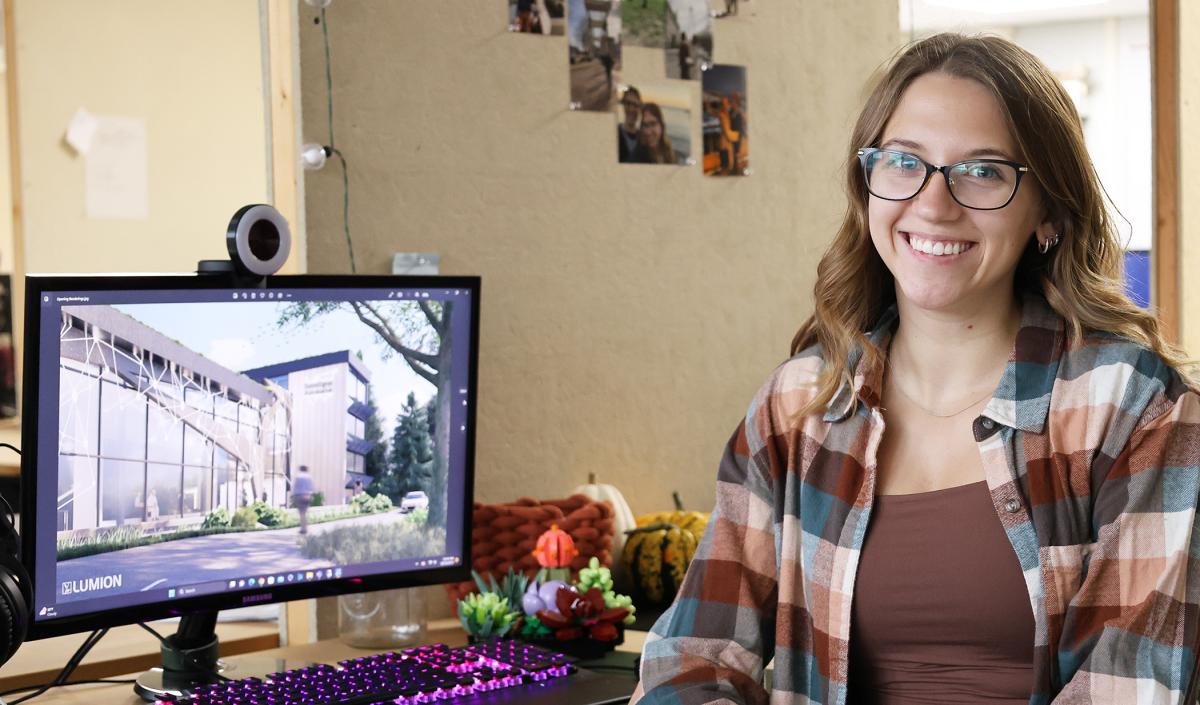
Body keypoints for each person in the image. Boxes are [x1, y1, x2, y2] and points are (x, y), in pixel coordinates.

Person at [634, 32, 1200, 704]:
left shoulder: (1136, 409)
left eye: (983, 171)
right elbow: (695, 655)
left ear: (1046, 210)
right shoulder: (799, 407)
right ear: (867, 182)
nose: (934, 204)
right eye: (905, 161)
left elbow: (1132, 687)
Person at [618, 86, 642, 163]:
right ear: (623, 105)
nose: (631, 109)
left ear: (639, 107)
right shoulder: (614, 133)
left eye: (635, 105)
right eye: (628, 104)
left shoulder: (644, 137)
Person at [292, 465, 315, 535]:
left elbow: (295, 487)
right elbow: (311, 487)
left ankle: (303, 528)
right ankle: (305, 528)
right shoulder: (309, 478)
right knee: (306, 512)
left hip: (300, 495)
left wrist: (294, 496)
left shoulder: (298, 477)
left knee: (301, 513)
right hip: (307, 495)